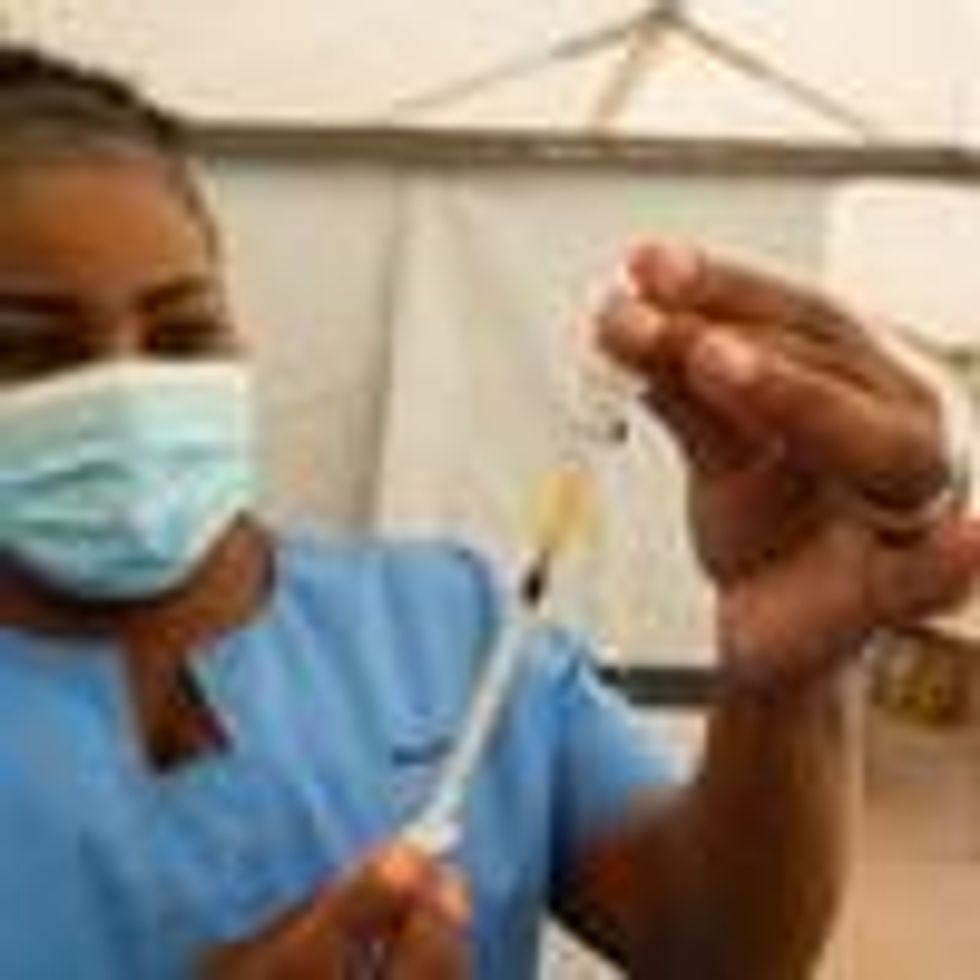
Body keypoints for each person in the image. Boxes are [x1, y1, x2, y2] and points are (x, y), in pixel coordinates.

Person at [0, 44, 974, 980]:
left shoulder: (452, 623)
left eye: (182, 329)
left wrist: (783, 690)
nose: (129, 388)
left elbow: (711, 951)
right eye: (30, 346)